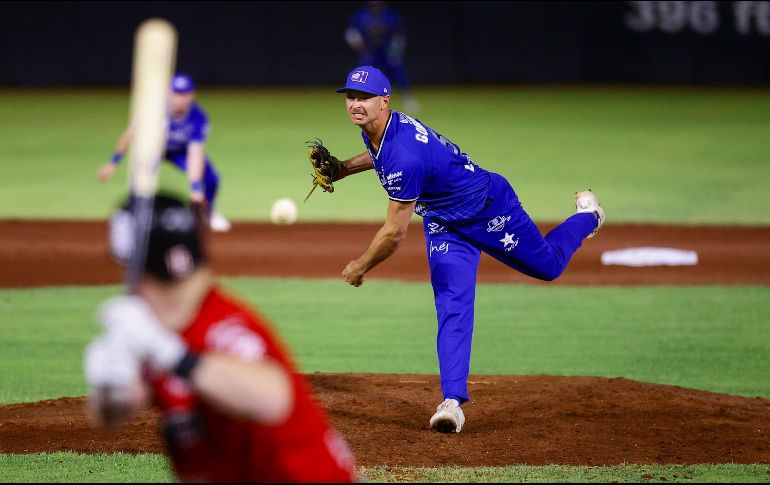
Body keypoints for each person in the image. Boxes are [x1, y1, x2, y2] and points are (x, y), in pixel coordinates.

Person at [325, 66, 605, 434]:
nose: (356, 104)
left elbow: (394, 233)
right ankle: (452, 402)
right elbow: (379, 156)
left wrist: (361, 266)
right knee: (452, 303)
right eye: (351, 96)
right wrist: (344, 168)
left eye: (365, 97)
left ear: (385, 101)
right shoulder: (380, 129)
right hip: (445, 222)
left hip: (490, 208)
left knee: (549, 267)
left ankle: (588, 216)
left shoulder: (403, 154)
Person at [83, 194, 357, 482]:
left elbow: (271, 397)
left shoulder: (223, 325)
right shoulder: (153, 331)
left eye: (128, 268)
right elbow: (113, 414)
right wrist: (110, 381)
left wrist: (171, 354)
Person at [97, 73, 232, 232]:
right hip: (154, 150)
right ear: (169, 94)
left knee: (211, 178)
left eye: (184, 94)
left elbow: (195, 153)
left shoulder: (199, 117)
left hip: (181, 152)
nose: (180, 98)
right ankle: (135, 217)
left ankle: (206, 213)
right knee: (141, 181)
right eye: (176, 93)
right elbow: (130, 135)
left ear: (192, 95)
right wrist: (114, 161)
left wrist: (195, 188)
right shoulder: (153, 112)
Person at [344, 1, 419, 114]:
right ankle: (361, 100)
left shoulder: (390, 14)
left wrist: (396, 49)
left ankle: (408, 98)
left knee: (398, 71)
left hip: (387, 50)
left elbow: (398, 34)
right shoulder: (361, 15)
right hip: (369, 50)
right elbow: (351, 32)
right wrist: (356, 41)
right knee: (365, 74)